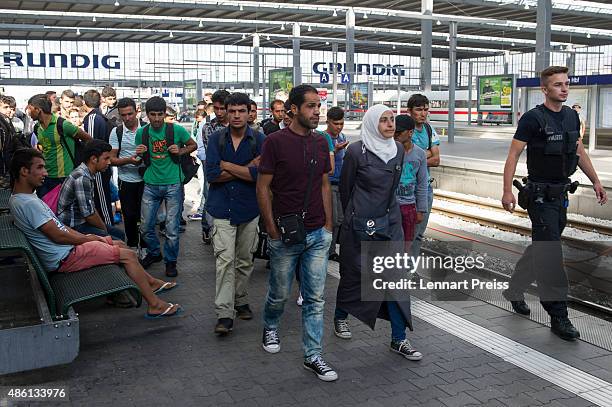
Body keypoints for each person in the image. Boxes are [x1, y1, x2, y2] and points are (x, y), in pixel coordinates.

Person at [9, 148, 181, 319]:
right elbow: (58, 235)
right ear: (24, 171)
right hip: (65, 257)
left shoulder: (23, 198)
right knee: (127, 255)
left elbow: (59, 227)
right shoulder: (29, 203)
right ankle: (155, 305)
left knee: (118, 243)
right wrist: (86, 239)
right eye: (39, 168)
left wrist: (92, 238)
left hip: (64, 251)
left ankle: (149, 283)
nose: (45, 172)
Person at [501, 66, 608, 341]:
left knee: (542, 247)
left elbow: (578, 150)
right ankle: (558, 314)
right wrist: (507, 192)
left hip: (561, 195)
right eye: (558, 84)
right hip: (539, 196)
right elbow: (513, 156)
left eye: (566, 83)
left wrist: (596, 181)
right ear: (545, 89)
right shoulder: (533, 119)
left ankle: (514, 289)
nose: (564, 88)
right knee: (550, 253)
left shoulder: (572, 116)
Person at [257, 84, 337, 382]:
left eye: (319, 106)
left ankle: (313, 355)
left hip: (317, 233)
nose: (317, 111)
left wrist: (329, 225)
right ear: (293, 109)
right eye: (311, 106)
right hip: (286, 234)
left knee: (315, 298)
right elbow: (263, 187)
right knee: (279, 293)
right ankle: (270, 324)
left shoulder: (320, 142)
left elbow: (324, 184)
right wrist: (271, 229)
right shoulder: (275, 142)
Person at [334, 104, 423, 361]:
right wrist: (354, 217)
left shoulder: (397, 151)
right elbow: (346, 188)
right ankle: (340, 317)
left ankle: (399, 338)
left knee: (395, 280)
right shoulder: (355, 151)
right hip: (359, 224)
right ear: (372, 123)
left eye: (392, 119)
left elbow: (391, 190)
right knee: (354, 276)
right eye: (383, 120)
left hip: (389, 223)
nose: (389, 124)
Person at [206, 92, 265, 335]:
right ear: (226, 113)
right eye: (232, 111)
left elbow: (260, 175)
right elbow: (212, 175)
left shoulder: (260, 140)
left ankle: (240, 299)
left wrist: (227, 166)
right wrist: (247, 167)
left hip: (249, 209)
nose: (237, 115)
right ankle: (224, 312)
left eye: (242, 111)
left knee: (244, 260)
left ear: (250, 112)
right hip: (221, 209)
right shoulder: (216, 140)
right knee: (224, 261)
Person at [135, 96, 196, 277]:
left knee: (171, 228)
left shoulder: (175, 129)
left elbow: (193, 145)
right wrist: (138, 154)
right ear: (147, 115)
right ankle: (155, 253)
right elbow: (139, 158)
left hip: (173, 184)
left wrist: (182, 150)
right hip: (151, 184)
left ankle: (171, 261)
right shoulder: (142, 133)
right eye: (152, 115)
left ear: (164, 114)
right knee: (145, 227)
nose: (156, 119)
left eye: (159, 114)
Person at [57, 139, 126, 241]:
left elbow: (90, 209)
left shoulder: (87, 173)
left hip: (81, 221)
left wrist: (104, 229)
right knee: (116, 240)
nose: (109, 162)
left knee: (119, 234)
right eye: (106, 158)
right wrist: (104, 231)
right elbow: (89, 215)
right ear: (94, 159)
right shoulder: (82, 177)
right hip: (73, 226)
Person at [28, 94, 92, 198]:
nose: (29, 113)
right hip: (45, 176)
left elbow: (89, 139)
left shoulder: (63, 125)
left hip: (64, 177)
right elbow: (43, 145)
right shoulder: (37, 127)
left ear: (38, 110)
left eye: (30, 109)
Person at [407, 94, 440, 259]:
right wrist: (425, 154)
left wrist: (416, 157)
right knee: (406, 233)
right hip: (406, 189)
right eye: (419, 110)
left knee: (419, 234)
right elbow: (404, 157)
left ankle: (410, 270)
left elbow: (436, 160)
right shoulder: (405, 130)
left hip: (425, 188)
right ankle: (399, 269)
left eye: (426, 110)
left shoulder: (429, 129)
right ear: (410, 111)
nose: (423, 113)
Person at [109, 97, 144, 248]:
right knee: (129, 216)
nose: (128, 118)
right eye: (124, 115)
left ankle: (146, 246)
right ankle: (132, 245)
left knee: (146, 217)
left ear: (136, 112)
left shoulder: (147, 129)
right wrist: (129, 160)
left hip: (146, 180)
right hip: (126, 181)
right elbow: (111, 159)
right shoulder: (116, 132)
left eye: (130, 114)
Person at [198, 90, 230, 244]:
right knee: (210, 197)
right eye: (216, 108)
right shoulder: (208, 127)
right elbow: (213, 155)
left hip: (236, 176)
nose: (219, 112)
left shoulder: (240, 126)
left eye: (222, 108)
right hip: (217, 172)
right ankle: (208, 228)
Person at [394, 115, 428, 249]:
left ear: (410, 132)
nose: (395, 135)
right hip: (391, 206)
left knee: (406, 244)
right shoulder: (389, 151)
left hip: (409, 205)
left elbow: (422, 184)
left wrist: (421, 210)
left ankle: (402, 268)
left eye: (399, 132)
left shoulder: (419, 154)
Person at [82, 89, 114, 227]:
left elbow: (92, 144)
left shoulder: (93, 118)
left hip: (98, 165)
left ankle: (109, 230)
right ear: (100, 100)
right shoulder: (100, 117)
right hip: (101, 164)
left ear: (84, 103)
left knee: (102, 200)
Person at [321, 106, 348, 261]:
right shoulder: (322, 137)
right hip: (328, 184)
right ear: (328, 122)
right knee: (333, 218)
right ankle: (328, 250)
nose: (339, 127)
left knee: (340, 219)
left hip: (341, 183)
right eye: (335, 124)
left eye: (341, 123)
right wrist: (336, 151)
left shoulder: (342, 136)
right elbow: (322, 162)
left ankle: (332, 249)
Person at [0, 96, 30, 188]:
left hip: (7, 166)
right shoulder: (3, 121)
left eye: (11, 108)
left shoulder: (7, 120)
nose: (9, 110)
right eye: (5, 107)